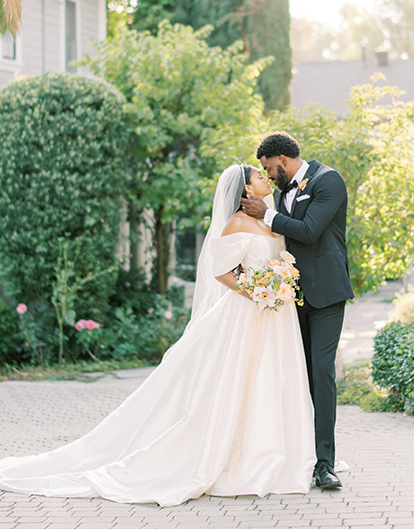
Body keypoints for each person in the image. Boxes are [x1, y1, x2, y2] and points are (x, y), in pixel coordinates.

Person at [0, 164, 315, 506]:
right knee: (241, 379)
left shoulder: (269, 219)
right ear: (246, 192)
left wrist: (279, 284)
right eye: (257, 176)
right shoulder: (237, 223)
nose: (265, 178)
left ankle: (273, 452)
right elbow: (221, 271)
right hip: (249, 311)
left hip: (277, 315)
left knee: (273, 379)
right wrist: (256, 293)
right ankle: (237, 455)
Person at [241, 132, 354, 490]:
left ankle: (325, 464)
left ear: (284, 159)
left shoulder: (328, 181)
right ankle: (300, 456)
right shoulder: (277, 194)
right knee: (296, 375)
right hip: (290, 298)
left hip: (326, 293)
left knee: (322, 374)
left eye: (269, 168)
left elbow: (307, 231)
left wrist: (268, 215)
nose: (268, 175)